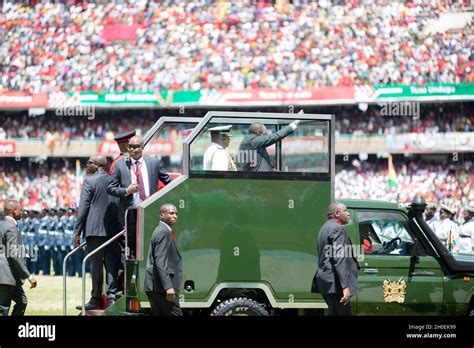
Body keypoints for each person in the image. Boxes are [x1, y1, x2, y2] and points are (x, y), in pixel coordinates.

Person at [107, 135, 172, 259]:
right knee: (131, 247)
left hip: (150, 211)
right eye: (130, 147)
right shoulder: (120, 165)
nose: (131, 149)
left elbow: (168, 181)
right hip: (130, 212)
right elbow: (110, 188)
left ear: (142, 147)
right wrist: (126, 190)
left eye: (135, 147)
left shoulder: (154, 163)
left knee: (151, 243)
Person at [74, 156, 118, 310]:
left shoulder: (89, 180)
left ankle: (96, 299)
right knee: (111, 264)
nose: (87, 165)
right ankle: (112, 298)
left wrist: (77, 231)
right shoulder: (114, 179)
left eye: (89, 163)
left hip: (94, 229)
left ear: (98, 165)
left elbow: (83, 208)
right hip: (113, 230)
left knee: (97, 265)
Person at [311, 202, 359, 316]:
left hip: (326, 280)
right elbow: (339, 259)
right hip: (335, 283)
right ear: (337, 213)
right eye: (345, 211)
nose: (348, 214)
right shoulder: (337, 229)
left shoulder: (325, 227)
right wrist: (345, 287)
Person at [144, 203, 182, 316]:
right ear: (162, 215)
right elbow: (160, 261)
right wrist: (168, 287)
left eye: (176, 213)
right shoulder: (163, 232)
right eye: (171, 213)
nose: (175, 216)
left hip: (155, 286)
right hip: (161, 288)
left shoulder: (161, 230)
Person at [0, 200, 37, 316]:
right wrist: (29, 276)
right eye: (20, 209)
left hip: (10, 274)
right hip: (6, 273)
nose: (21, 212)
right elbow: (14, 254)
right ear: (13, 211)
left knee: (22, 301)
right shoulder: (10, 227)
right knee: (3, 307)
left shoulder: (2, 224)